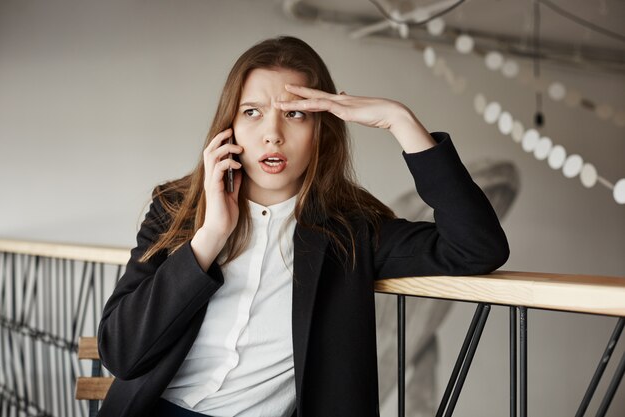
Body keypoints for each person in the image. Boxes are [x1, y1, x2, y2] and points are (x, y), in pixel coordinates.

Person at [96, 36, 509, 417]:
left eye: (294, 114)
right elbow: (121, 351)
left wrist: (398, 119)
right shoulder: (176, 209)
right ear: (230, 127)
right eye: (252, 112)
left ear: (320, 132)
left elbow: (477, 247)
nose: (272, 135)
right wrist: (209, 239)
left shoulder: (350, 232)